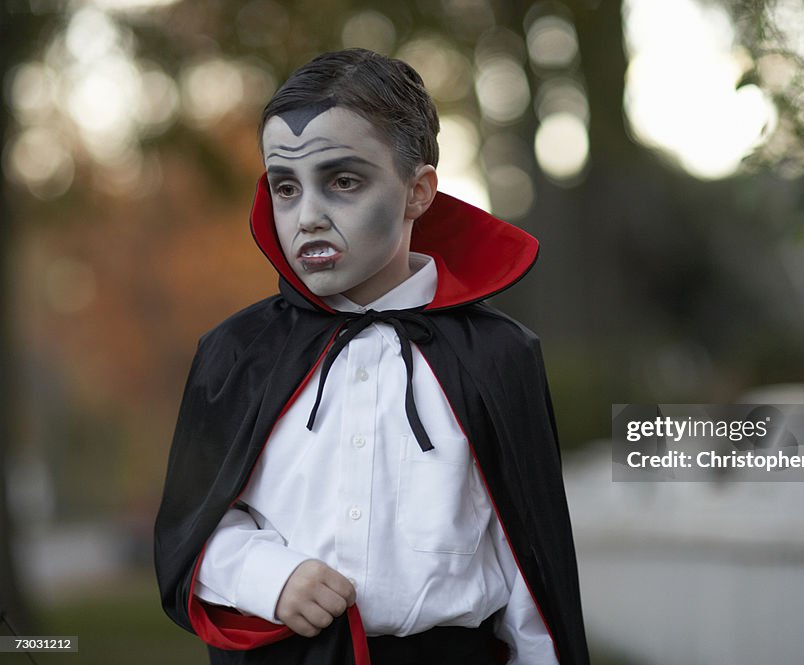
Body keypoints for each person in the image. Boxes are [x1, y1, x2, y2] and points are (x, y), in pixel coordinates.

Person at [154, 48, 590, 665]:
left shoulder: (500, 357)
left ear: (418, 192)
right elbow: (188, 534)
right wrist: (267, 577)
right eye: (285, 187)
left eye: (344, 181)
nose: (307, 217)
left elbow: (530, 567)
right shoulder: (235, 355)